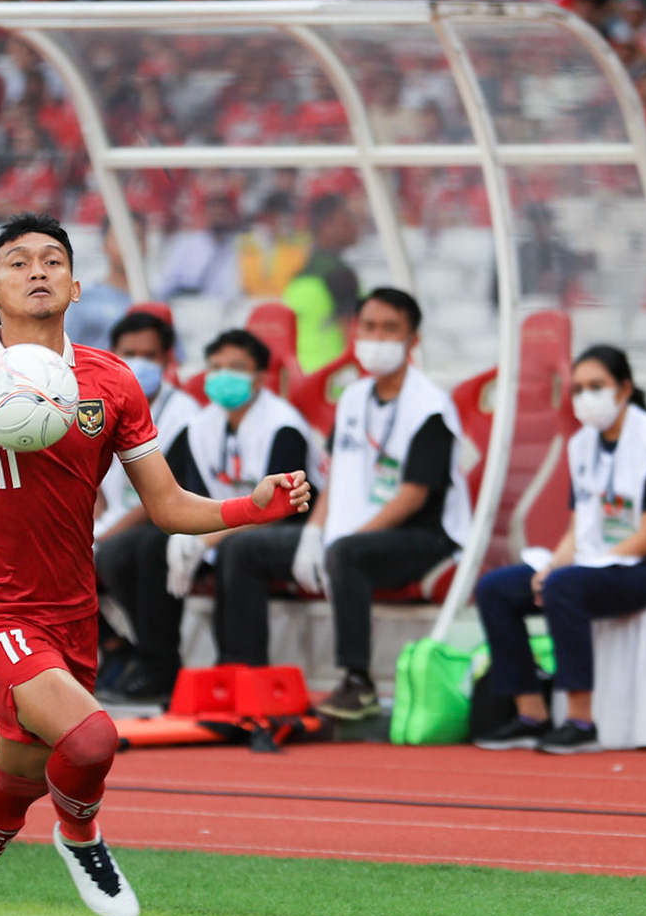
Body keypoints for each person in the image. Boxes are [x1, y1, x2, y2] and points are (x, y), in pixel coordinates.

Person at [0, 212, 311, 916]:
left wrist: (250, 506)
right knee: (93, 737)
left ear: (75, 286)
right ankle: (82, 834)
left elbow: (166, 506)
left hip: (71, 612)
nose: (36, 270)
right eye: (17, 262)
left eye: (52, 260)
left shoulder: (111, 381)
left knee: (20, 775)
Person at [473, 347, 646, 755]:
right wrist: (552, 566)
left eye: (597, 386)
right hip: (596, 565)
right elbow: (577, 528)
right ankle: (531, 715)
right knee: (495, 589)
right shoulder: (582, 445)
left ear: (624, 389)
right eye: (579, 389)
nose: (586, 397)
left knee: (565, 587)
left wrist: (583, 568)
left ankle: (581, 721)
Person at [290, 289, 472, 721]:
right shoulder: (353, 397)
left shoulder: (430, 408)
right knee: (246, 551)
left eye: (390, 328)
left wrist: (340, 542)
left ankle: (358, 682)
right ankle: (247, 673)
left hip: (424, 536)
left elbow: (413, 496)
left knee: (346, 554)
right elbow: (337, 474)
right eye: (369, 327)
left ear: (413, 340)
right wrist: (314, 532)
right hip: (350, 531)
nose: (376, 338)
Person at [156, 330, 326, 672]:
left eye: (235, 367)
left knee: (240, 549)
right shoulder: (199, 427)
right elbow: (192, 495)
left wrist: (205, 540)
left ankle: (242, 668)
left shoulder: (283, 426)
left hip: (292, 527)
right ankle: (157, 665)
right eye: (215, 367)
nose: (223, 376)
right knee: (148, 545)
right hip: (227, 526)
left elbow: (280, 509)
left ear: (260, 377)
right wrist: (187, 535)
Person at [92, 309, 201, 704]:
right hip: (112, 520)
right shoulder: (99, 404)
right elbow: (92, 480)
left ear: (168, 359)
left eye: (149, 355)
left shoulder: (184, 415)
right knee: (44, 555)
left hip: (160, 520)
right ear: (112, 354)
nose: (139, 362)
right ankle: (116, 649)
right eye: (129, 353)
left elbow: (164, 495)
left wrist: (103, 537)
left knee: (121, 552)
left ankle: (156, 664)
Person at [285, 194, 361, 372]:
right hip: (333, 378)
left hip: (301, 373)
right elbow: (351, 333)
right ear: (327, 226)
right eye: (347, 218)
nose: (354, 225)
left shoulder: (301, 274)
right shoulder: (340, 275)